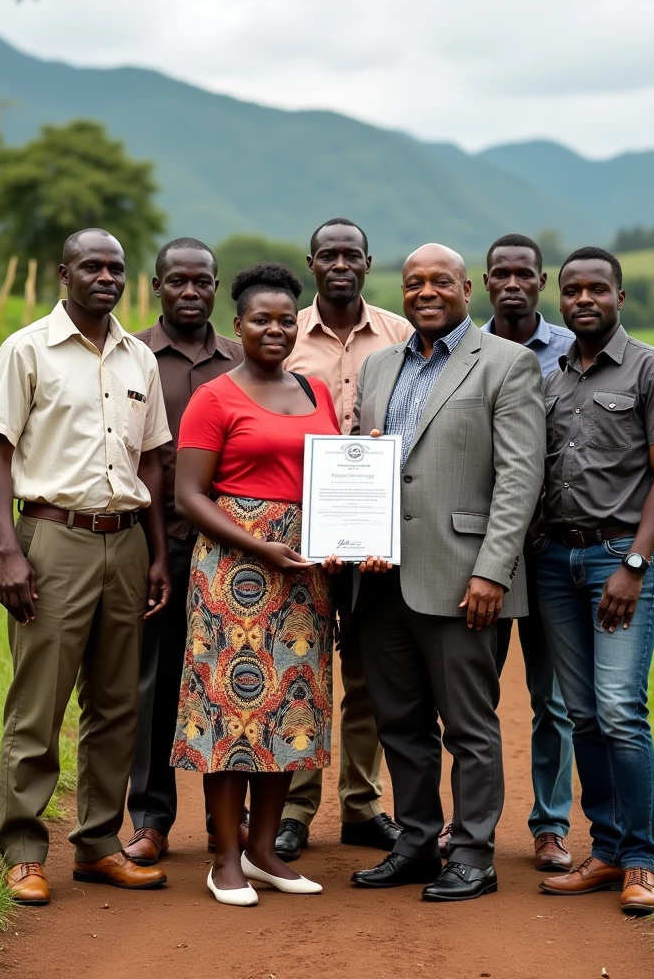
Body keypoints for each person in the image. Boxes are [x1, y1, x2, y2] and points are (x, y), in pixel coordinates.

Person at [350, 243, 545, 901]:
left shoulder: (507, 365)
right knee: (399, 722)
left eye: (440, 281)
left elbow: (521, 477)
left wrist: (492, 570)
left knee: (468, 724)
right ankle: (414, 840)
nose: (425, 291)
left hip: (466, 580)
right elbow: (367, 465)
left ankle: (473, 854)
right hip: (379, 580)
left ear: (468, 288)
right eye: (413, 283)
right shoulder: (379, 367)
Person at [0, 229, 171, 906]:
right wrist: (10, 550)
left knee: (116, 703)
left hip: (124, 541)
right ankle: (24, 850)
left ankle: (98, 844)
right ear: (64, 273)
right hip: (52, 537)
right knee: (39, 702)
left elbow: (150, 460)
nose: (106, 276)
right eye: (92, 266)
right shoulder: (26, 350)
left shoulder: (138, 359)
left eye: (116, 268)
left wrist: (156, 554)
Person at [171, 263, 342, 906]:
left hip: (304, 572)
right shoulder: (214, 396)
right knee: (230, 714)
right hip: (236, 571)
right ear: (236, 326)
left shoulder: (315, 391)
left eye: (285, 320)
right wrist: (260, 546)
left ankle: (266, 849)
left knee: (289, 709)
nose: (274, 329)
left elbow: (331, 475)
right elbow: (190, 496)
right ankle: (225, 856)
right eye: (260, 320)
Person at [536, 247, 654, 915]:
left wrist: (633, 564)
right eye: (572, 290)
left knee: (620, 708)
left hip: (620, 559)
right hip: (555, 562)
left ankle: (642, 864)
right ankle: (606, 850)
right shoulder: (553, 379)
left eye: (597, 288)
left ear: (620, 298)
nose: (583, 299)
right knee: (583, 713)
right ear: (560, 299)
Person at [280, 217, 411, 861]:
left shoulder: (400, 334)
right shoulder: (284, 335)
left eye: (350, 254)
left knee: (368, 674)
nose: (339, 263)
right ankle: (296, 811)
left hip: (378, 533)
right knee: (304, 670)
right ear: (311, 264)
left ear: (367, 261)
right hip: (298, 530)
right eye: (327, 254)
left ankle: (361, 807)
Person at [124, 238, 243, 867]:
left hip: (235, 552)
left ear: (216, 287)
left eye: (202, 282)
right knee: (157, 682)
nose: (191, 292)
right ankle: (151, 817)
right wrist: (152, 553)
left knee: (236, 683)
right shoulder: (132, 355)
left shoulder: (242, 360)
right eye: (178, 282)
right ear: (157, 285)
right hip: (158, 542)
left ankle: (235, 821)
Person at [468, 233, 574, 872]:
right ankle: (469, 823)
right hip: (481, 550)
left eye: (524, 274)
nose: (512, 283)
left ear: (542, 281)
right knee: (471, 694)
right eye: (500, 274)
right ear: (484, 283)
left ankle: (551, 825)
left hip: (553, 551)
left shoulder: (570, 351)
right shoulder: (465, 352)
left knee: (552, 699)